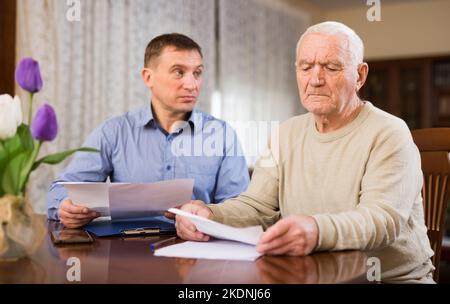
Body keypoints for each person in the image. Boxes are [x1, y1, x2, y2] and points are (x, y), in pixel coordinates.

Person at [174, 22, 435, 283]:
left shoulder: (390, 132)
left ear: (360, 75)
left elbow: (381, 220)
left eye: (331, 67)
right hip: (310, 276)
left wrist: (317, 230)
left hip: (387, 280)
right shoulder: (285, 133)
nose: (316, 79)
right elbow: (257, 207)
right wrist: (210, 215)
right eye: (306, 67)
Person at [47, 33, 249, 228]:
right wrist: (66, 206)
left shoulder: (222, 135)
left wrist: (209, 212)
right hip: (128, 252)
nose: (192, 84)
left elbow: (242, 208)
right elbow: (59, 189)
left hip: (196, 252)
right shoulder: (114, 131)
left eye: (197, 73)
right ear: (148, 77)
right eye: (179, 72)